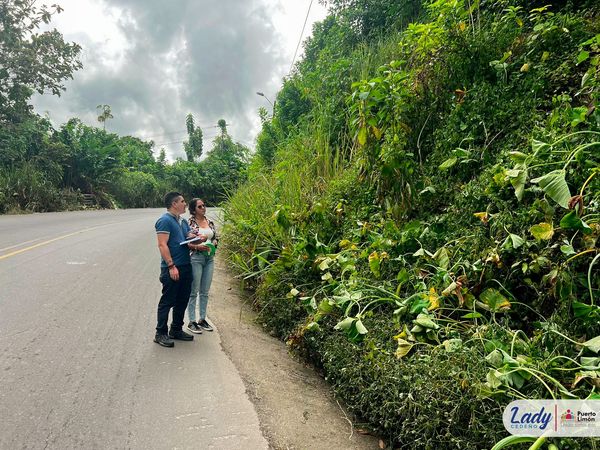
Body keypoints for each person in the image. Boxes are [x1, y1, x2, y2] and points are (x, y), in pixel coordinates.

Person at [154, 192, 198, 347]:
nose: (185, 204)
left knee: (182, 299)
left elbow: (187, 238)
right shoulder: (164, 221)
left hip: (186, 265)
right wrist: (171, 266)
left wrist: (196, 237)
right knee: (168, 301)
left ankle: (176, 329)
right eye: (182, 201)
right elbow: (162, 245)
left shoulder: (183, 221)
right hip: (173, 267)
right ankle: (160, 333)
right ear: (174, 204)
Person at [186, 198, 219, 334]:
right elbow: (186, 242)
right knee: (194, 290)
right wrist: (198, 247)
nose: (203, 208)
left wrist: (215, 242)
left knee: (205, 291)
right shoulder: (190, 223)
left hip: (209, 258)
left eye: (204, 205)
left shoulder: (209, 222)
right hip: (196, 257)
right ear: (193, 210)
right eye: (200, 206)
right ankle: (192, 321)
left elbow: (215, 237)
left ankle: (202, 319)